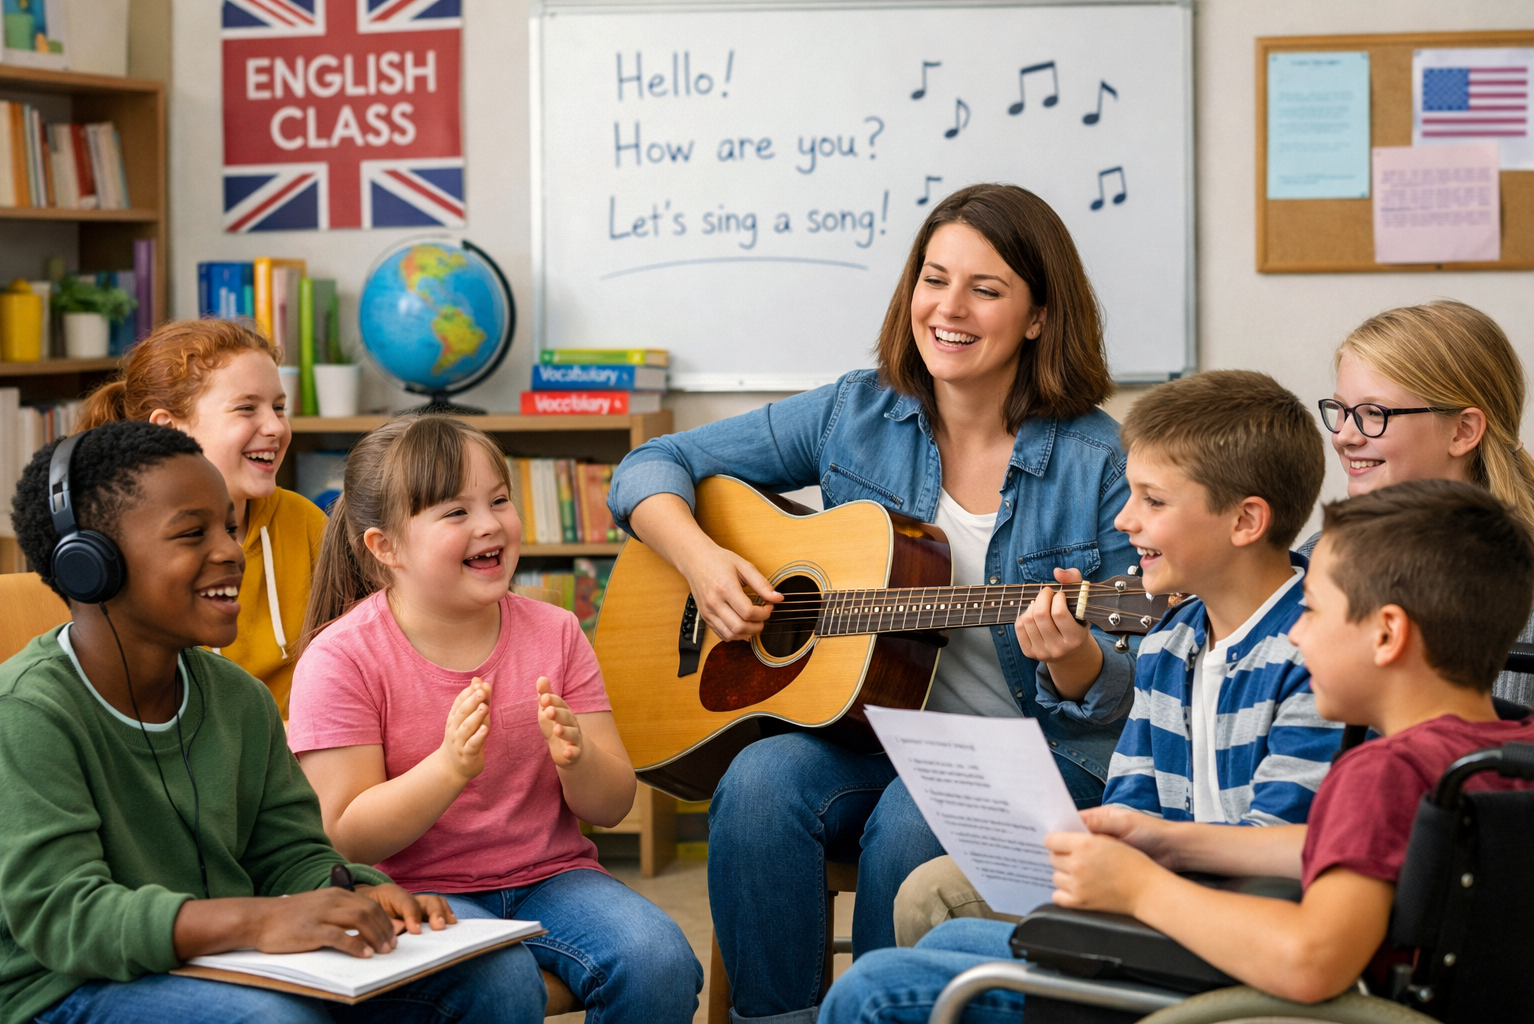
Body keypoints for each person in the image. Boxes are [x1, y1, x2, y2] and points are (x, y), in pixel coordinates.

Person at [607, 183, 1138, 1022]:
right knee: (756, 784)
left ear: (1039, 316)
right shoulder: (855, 412)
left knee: (907, 826)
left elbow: (1130, 682)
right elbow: (650, 466)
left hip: (1039, 750)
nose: (948, 309)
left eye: (985, 289)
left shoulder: (1099, 462)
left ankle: (882, 1010)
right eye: (934, 279)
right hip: (873, 735)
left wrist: (1075, 660)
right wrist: (703, 562)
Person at [820, 478, 1534, 1022]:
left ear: (1386, 634)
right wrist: (1170, 840)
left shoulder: (1380, 771)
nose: (1296, 633)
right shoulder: (1493, 751)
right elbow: (1348, 849)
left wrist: (1141, 888)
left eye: (1314, 611)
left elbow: (1312, 960)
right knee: (948, 945)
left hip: (1257, 1005)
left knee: (876, 987)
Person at [0, 420, 545, 1024]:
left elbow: (290, 854)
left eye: (230, 529)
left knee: (499, 977)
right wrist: (259, 921)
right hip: (68, 987)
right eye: (192, 533)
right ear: (89, 565)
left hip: (227, 959)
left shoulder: (238, 698)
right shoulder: (28, 712)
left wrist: (361, 890)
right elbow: (64, 916)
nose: (230, 552)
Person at [892, 370, 1342, 946]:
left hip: (1235, 921)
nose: (1125, 520)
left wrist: (1135, 874)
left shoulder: (1317, 651)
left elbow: (1281, 849)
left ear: (1245, 521)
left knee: (908, 970)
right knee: (931, 893)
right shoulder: (1171, 640)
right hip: (1160, 885)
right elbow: (1131, 800)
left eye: (1153, 500)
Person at [288, 415, 702, 1023]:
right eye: (456, 511)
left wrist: (579, 759)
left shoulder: (558, 631)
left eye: (500, 500)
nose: (489, 524)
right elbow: (345, 834)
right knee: (502, 981)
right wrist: (448, 769)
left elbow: (612, 805)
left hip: (553, 878)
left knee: (659, 961)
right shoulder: (341, 658)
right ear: (385, 547)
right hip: (414, 893)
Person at [78, 318, 325, 713]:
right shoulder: (119, 553)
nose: (275, 427)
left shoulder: (306, 522)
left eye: (279, 407)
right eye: (246, 408)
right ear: (168, 430)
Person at [1309, 300, 1534, 706]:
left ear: (1462, 431)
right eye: (1341, 410)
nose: (1343, 436)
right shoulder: (1317, 559)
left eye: (1373, 413)